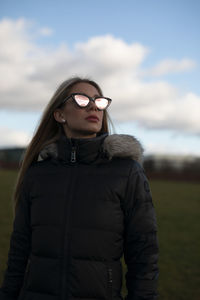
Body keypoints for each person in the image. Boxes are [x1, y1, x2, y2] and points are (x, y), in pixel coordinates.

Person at [0, 77, 159, 300]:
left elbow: (144, 253)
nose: (94, 105)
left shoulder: (127, 172)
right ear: (59, 114)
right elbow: (19, 252)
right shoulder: (37, 174)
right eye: (82, 99)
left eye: (99, 101)